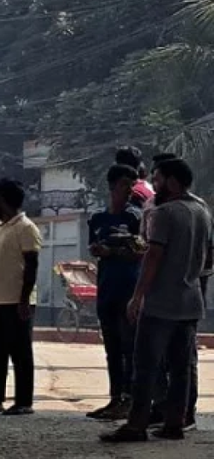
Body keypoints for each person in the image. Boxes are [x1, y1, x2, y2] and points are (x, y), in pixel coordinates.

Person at [102, 158, 212, 443]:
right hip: (191, 301)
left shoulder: (164, 214)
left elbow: (153, 257)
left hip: (161, 302)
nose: (154, 185)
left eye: (159, 179)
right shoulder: (202, 211)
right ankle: (175, 423)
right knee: (180, 367)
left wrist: (137, 296)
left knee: (145, 366)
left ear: (173, 182)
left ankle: (136, 425)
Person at [0, 180, 42, 416]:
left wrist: (24, 300)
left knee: (21, 353)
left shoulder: (26, 227)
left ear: (5, 201)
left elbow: (31, 266)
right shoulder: (1, 229)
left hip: (17, 302)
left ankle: (24, 401)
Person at [86, 165, 146, 421]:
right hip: (107, 289)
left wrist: (114, 253)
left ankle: (131, 400)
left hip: (128, 290)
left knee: (128, 347)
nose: (129, 189)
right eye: (124, 184)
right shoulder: (97, 219)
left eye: (132, 184)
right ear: (111, 186)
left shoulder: (135, 218)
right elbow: (93, 247)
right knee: (111, 348)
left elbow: (141, 252)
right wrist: (99, 251)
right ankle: (115, 398)